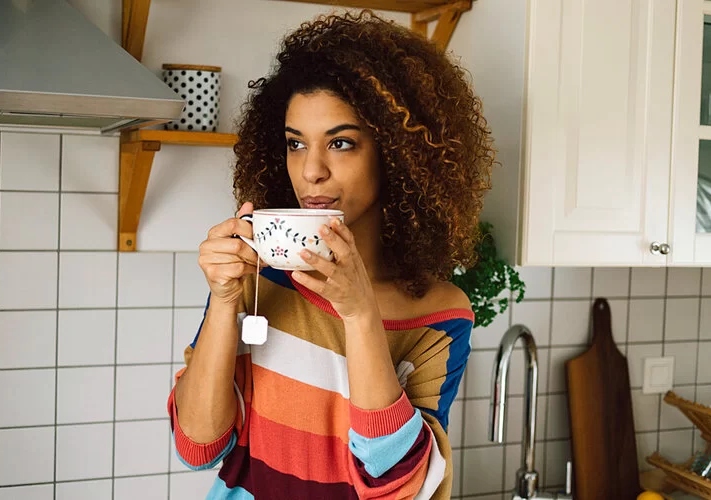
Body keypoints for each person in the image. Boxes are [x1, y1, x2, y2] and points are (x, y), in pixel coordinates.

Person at [168, 10, 495, 499]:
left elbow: (399, 486)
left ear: (398, 154)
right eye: (296, 144)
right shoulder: (260, 279)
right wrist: (222, 299)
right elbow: (197, 447)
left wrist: (360, 315)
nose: (311, 171)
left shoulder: (440, 318)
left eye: (340, 143)